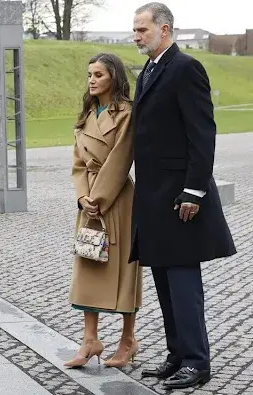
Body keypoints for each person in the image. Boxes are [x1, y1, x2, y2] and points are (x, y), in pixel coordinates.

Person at [131, 2, 236, 390]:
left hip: (180, 199)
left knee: (184, 284)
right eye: (135, 30)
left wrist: (194, 190)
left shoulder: (186, 67)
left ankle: (196, 362)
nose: (136, 36)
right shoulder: (151, 68)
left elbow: (202, 133)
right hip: (154, 198)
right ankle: (176, 356)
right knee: (164, 282)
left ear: (165, 29)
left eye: (142, 29)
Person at [66, 53, 141, 369]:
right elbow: (78, 163)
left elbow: (122, 159)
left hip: (117, 200)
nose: (92, 80)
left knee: (123, 270)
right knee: (88, 266)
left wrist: (99, 198)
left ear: (114, 77)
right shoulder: (85, 116)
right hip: (89, 204)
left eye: (98, 74)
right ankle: (90, 339)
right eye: (89, 75)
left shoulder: (126, 114)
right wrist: (83, 197)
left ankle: (128, 341)